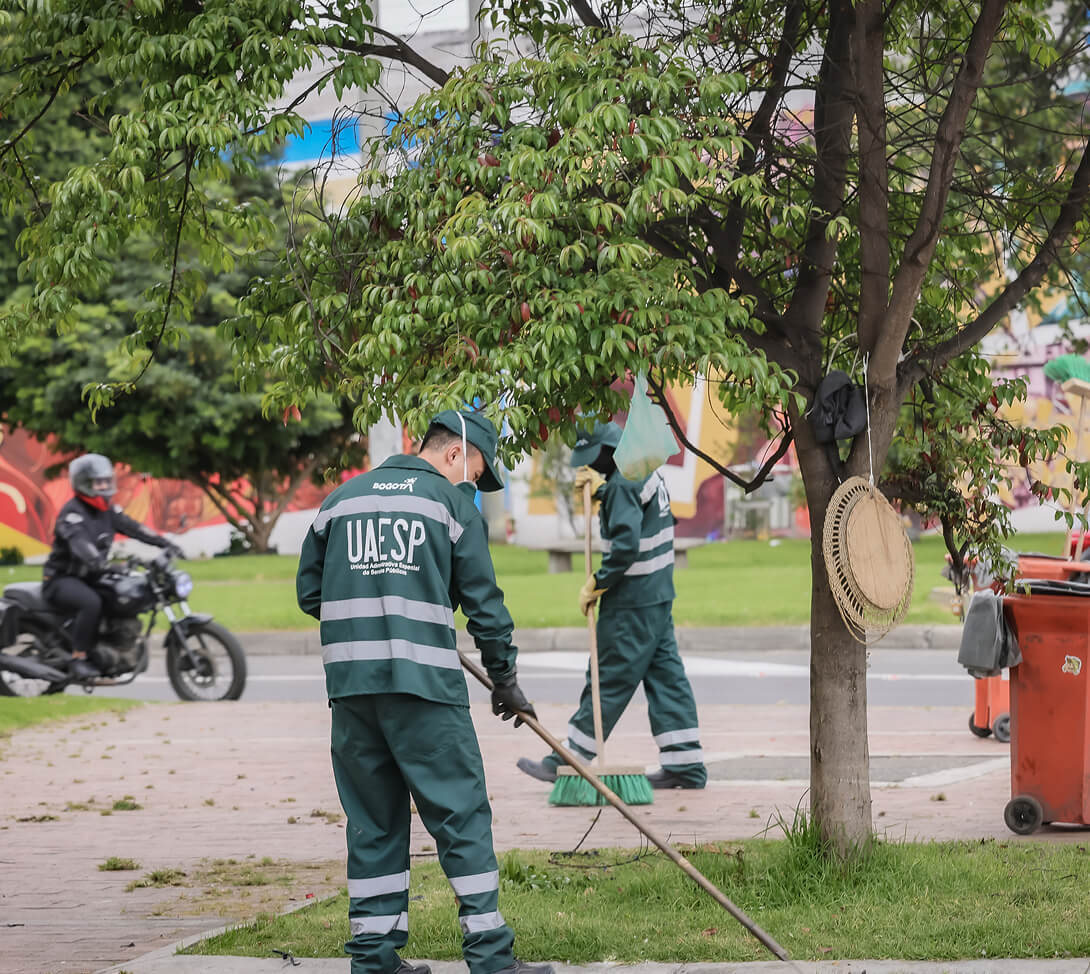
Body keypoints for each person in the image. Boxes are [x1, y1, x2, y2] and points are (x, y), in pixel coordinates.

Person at [296, 409, 554, 974]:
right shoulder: (450, 504)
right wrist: (505, 679)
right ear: (455, 452)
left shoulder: (341, 501)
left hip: (353, 693)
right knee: (461, 816)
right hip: (425, 691)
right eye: (476, 471)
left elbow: (310, 594)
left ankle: (373, 956)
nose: (472, 486)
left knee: (374, 820)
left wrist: (374, 601)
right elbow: (484, 605)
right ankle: (490, 958)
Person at [517, 421, 707, 790]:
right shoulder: (642, 470)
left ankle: (568, 758)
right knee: (666, 678)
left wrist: (597, 583)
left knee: (608, 677)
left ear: (609, 451)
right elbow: (642, 518)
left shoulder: (621, 482)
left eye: (594, 459)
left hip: (631, 601)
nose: (592, 466)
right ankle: (685, 763)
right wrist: (601, 496)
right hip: (657, 594)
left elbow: (624, 545)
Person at [43, 453, 184, 680]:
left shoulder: (107, 510)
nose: (104, 487)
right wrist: (105, 565)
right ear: (83, 483)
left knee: (120, 595)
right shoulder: (72, 515)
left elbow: (134, 528)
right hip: (62, 579)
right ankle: (78, 657)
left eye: (107, 481)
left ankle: (112, 646)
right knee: (91, 602)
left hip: (92, 576)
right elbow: (83, 548)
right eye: (98, 482)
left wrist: (165, 543)